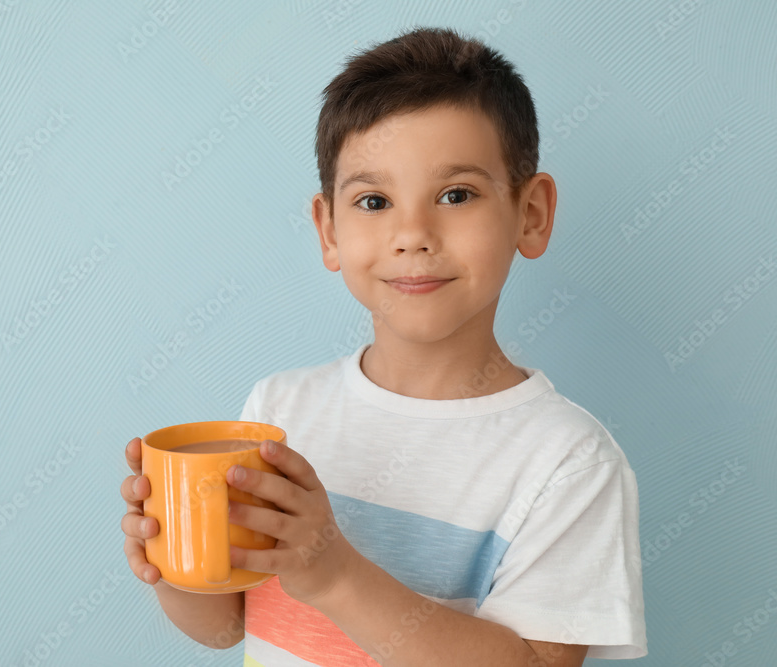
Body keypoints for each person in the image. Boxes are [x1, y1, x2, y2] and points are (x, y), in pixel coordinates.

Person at [121, 25, 647, 666]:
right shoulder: (278, 411)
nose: (412, 234)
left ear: (530, 214)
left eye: (456, 195)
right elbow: (225, 627)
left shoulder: (568, 462)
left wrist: (335, 574)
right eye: (374, 200)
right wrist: (172, 556)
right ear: (329, 229)